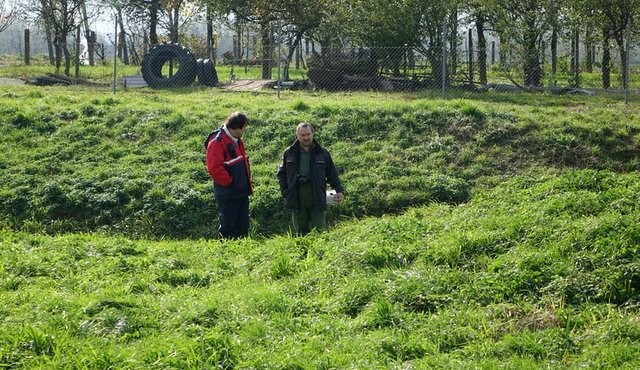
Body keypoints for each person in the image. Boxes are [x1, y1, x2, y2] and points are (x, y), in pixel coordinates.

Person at [277, 122, 344, 235]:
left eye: (308, 134)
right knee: (300, 234)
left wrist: (340, 191)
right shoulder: (289, 153)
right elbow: (281, 174)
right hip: (297, 201)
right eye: (302, 135)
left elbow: (332, 175)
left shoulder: (322, 153)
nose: (306, 138)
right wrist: (285, 192)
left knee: (320, 233)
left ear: (313, 134)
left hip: (317, 200)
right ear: (297, 135)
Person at [205, 111, 252, 239]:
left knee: (242, 225)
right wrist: (230, 183)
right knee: (228, 226)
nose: (244, 131)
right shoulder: (217, 141)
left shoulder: (235, 139)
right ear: (236, 128)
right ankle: (227, 253)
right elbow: (214, 168)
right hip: (229, 192)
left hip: (240, 191)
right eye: (244, 128)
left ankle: (242, 251)